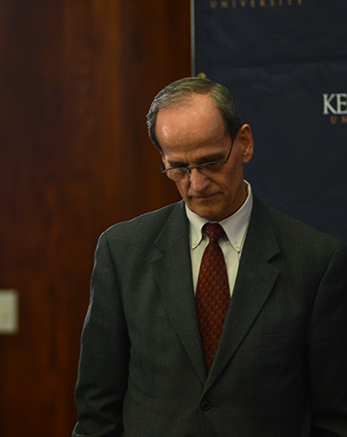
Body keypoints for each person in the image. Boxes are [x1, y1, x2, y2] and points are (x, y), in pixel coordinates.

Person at [72, 77, 347, 436]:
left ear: (244, 143)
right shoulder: (122, 250)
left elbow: (334, 416)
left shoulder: (316, 260)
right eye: (180, 169)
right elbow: (97, 407)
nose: (197, 184)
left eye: (211, 162)